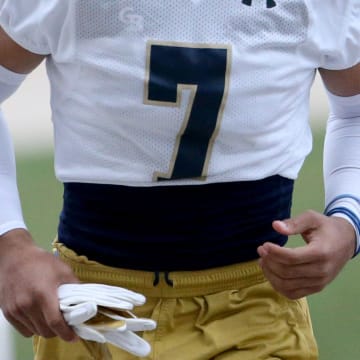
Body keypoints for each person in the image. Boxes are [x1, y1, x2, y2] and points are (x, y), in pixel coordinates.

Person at [0, 1, 359, 359]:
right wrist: (9, 244)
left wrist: (348, 220)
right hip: (92, 306)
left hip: (251, 310)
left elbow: (354, 110)